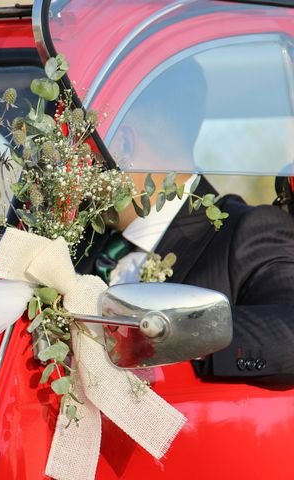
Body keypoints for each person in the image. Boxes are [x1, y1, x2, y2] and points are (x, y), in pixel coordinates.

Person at [79, 58, 294, 383]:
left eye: (85, 152)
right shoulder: (81, 243)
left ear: (121, 144)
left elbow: (288, 329)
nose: (78, 173)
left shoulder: (245, 233)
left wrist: (170, 331)